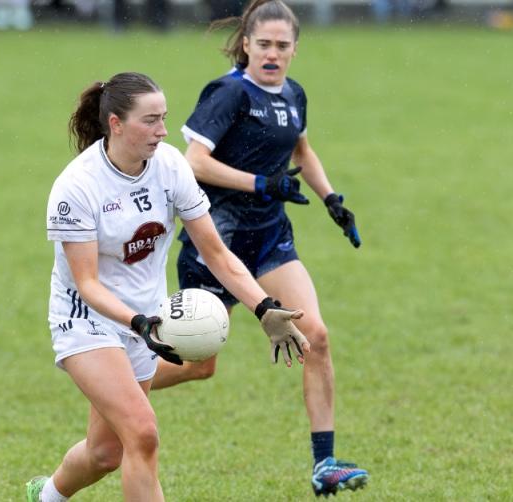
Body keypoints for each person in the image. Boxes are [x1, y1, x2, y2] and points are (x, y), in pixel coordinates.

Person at [27, 71, 310, 502]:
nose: (162, 131)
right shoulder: (77, 187)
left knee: (106, 453)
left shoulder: (170, 165)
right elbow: (86, 283)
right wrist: (139, 323)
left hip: (149, 320)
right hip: (89, 321)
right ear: (116, 124)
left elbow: (215, 252)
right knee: (143, 434)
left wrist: (265, 308)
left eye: (164, 118)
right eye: (150, 120)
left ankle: (44, 497)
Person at [148, 0, 370, 496]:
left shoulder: (293, 95)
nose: (272, 54)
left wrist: (331, 199)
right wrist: (260, 183)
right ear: (246, 44)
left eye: (282, 46)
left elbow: (301, 151)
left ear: (295, 49)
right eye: (263, 44)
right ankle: (122, 385)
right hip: (216, 241)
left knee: (315, 333)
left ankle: (324, 463)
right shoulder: (228, 93)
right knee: (199, 365)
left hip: (270, 238)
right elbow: (194, 163)